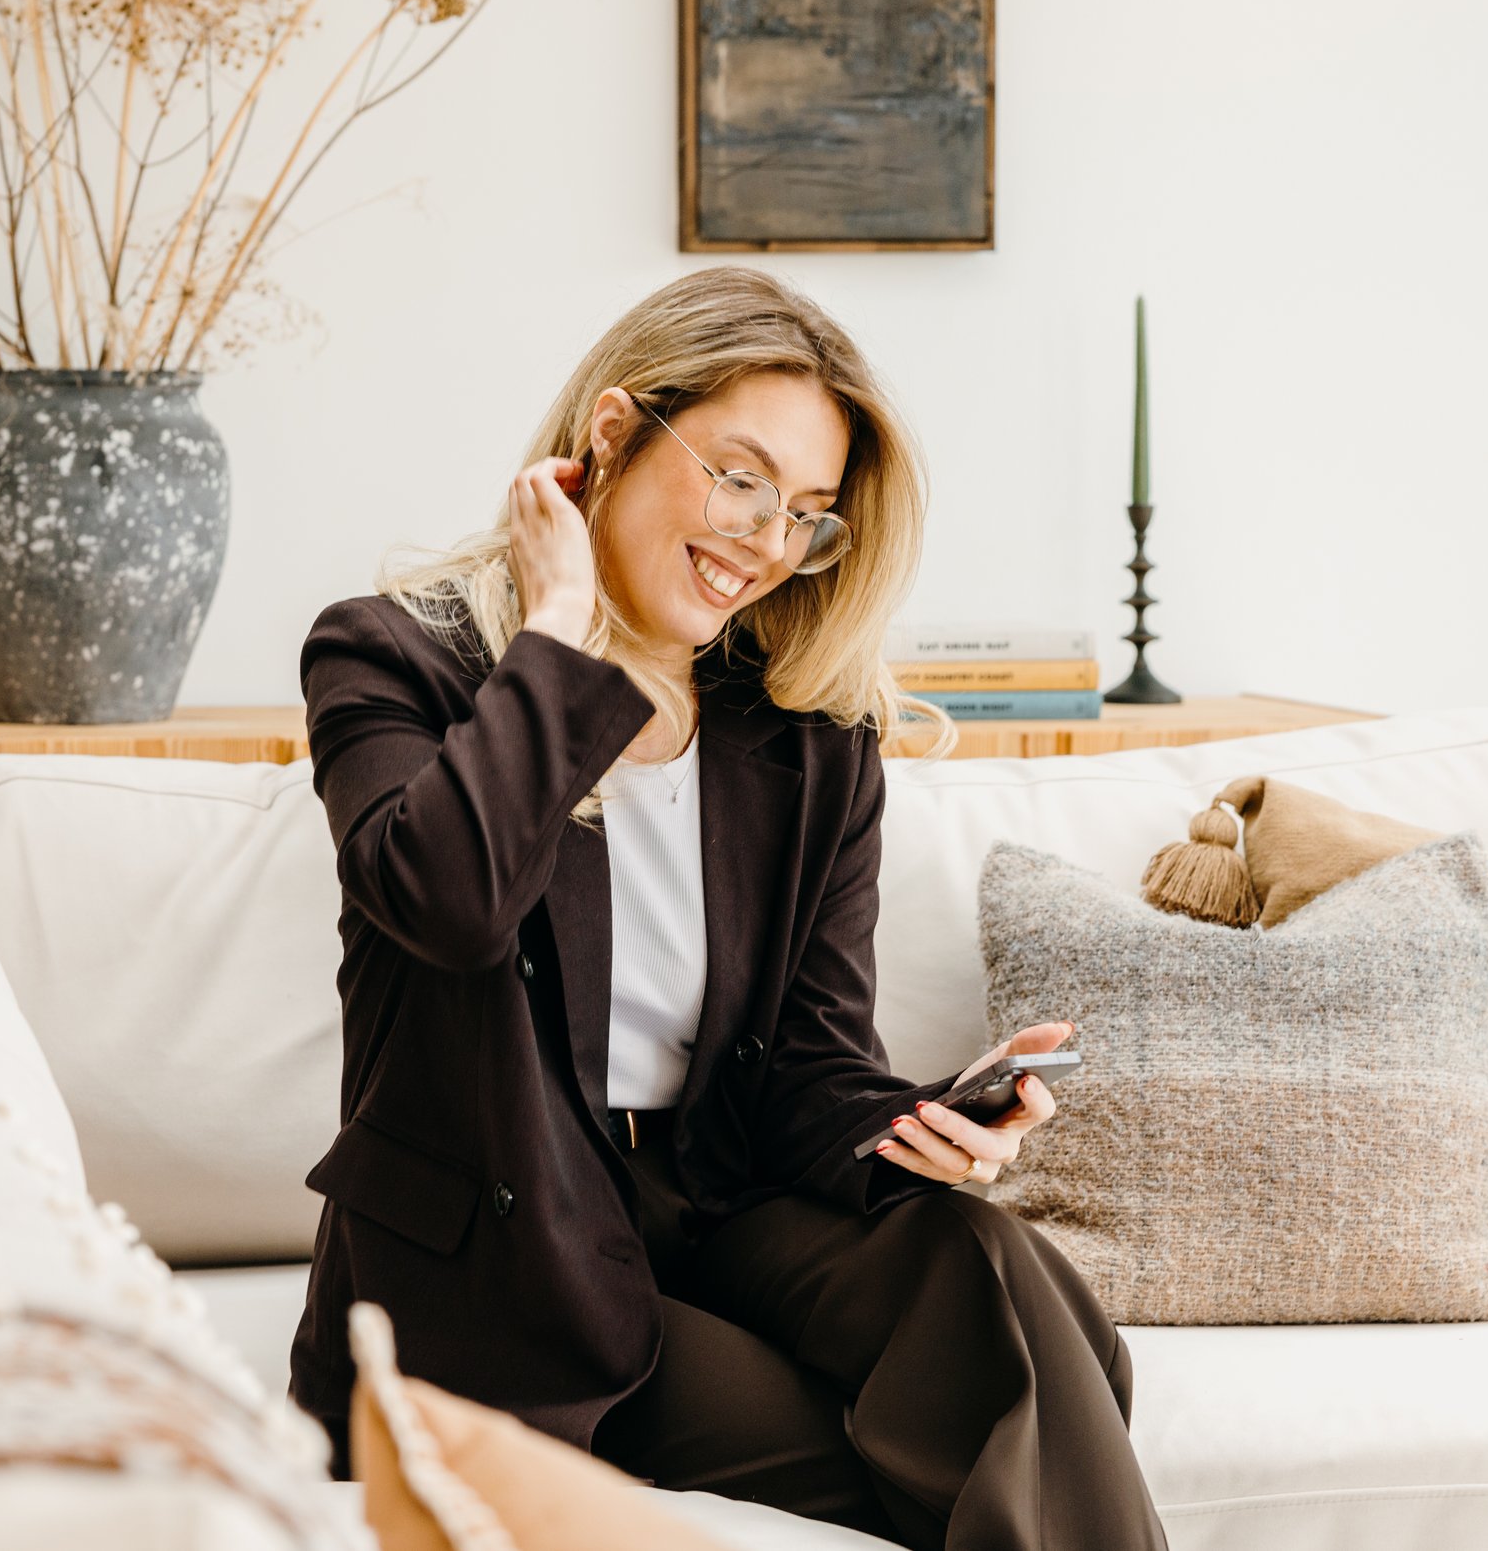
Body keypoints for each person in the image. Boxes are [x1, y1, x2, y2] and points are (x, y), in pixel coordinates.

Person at [290, 266, 1170, 1550]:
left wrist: (922, 1120)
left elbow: (810, 1067)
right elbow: (448, 900)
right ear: (610, 434)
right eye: (741, 478)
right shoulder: (392, 657)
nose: (766, 541)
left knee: (980, 1263)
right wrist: (559, 628)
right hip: (508, 1255)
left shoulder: (806, 738)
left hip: (717, 1209)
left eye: (807, 511)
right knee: (1001, 1425)